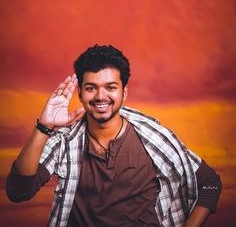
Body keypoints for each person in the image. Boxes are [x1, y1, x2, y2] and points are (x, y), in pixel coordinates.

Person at [6, 45, 222, 227]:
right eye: (91, 88)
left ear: (124, 93)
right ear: (80, 92)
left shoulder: (153, 138)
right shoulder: (64, 141)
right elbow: (18, 192)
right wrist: (44, 127)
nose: (101, 96)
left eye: (110, 87)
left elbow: (210, 184)